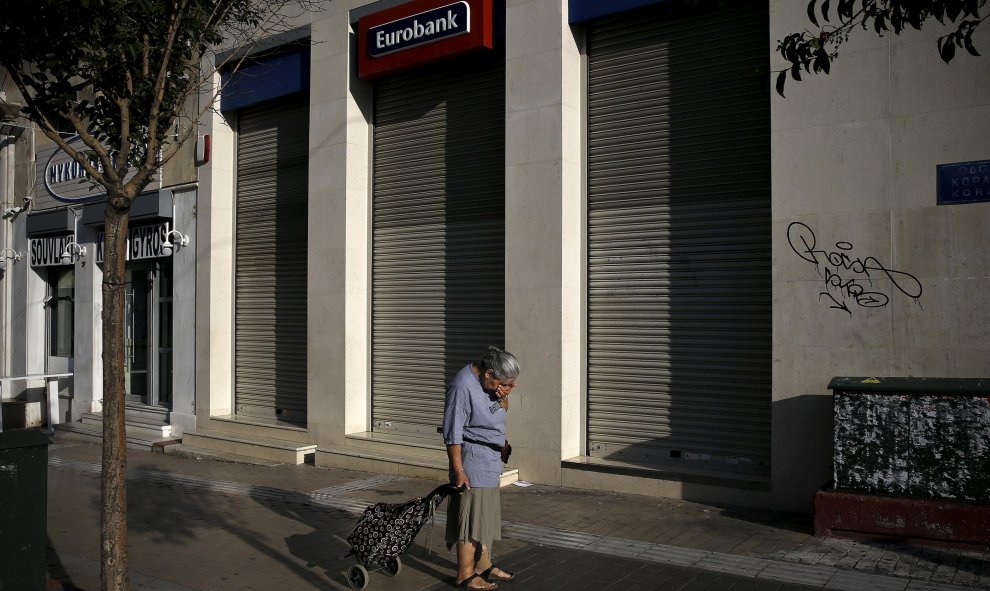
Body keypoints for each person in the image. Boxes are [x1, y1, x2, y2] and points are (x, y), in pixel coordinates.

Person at [442, 346, 521, 590]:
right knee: (470, 519)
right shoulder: (462, 386)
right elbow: (453, 434)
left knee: (483, 518)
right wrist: (459, 470)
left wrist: (503, 396)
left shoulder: (489, 385)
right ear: (488, 373)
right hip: (472, 462)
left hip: (490, 460)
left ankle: (483, 565)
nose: (509, 387)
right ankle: (465, 575)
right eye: (505, 383)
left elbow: (500, 410)